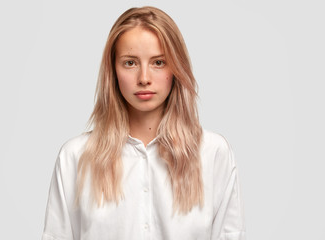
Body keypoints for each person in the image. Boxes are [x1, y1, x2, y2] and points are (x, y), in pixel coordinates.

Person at [41, 6, 246, 240]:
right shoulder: (75, 157)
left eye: (158, 62)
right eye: (130, 63)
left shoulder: (212, 153)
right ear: (113, 71)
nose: (144, 78)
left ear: (176, 69)